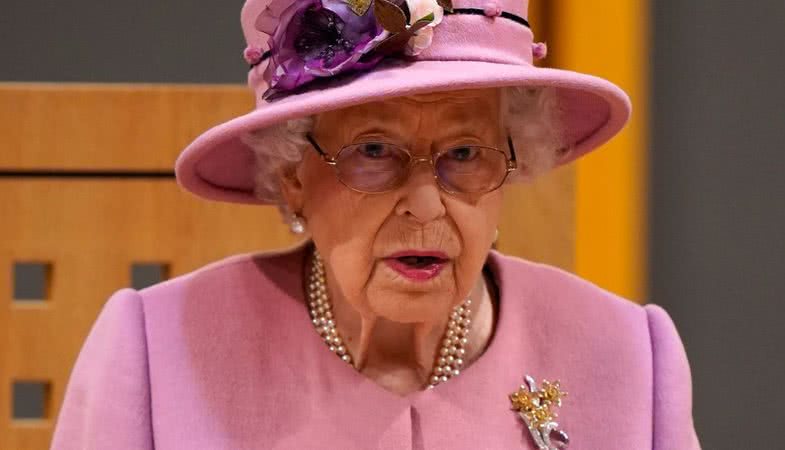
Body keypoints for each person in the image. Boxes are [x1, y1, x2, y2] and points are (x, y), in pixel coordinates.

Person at [51, 0, 701, 448]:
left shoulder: (630, 357)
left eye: (465, 154)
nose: (424, 205)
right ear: (292, 176)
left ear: (515, 159)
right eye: (372, 152)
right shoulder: (155, 352)